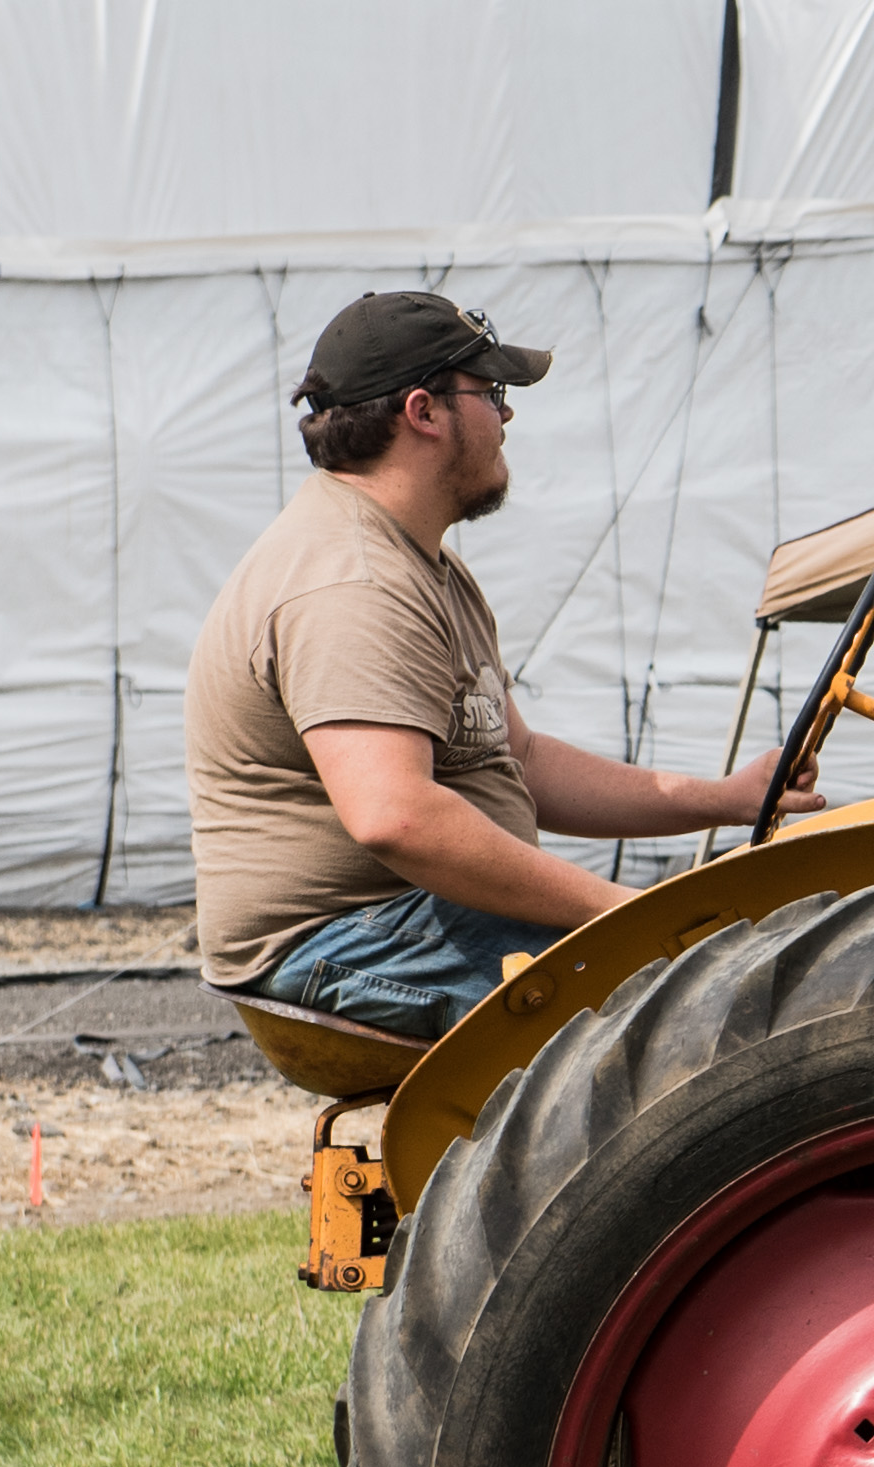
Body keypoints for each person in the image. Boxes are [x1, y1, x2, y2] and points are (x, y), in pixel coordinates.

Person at [186, 294, 815, 1043]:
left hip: (399, 919)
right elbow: (397, 817)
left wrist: (727, 798)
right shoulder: (352, 582)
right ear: (424, 411)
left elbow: (522, 758)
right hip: (343, 940)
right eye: (490, 392)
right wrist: (626, 914)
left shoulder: (420, 563)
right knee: (701, 1006)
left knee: (710, 978)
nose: (506, 414)